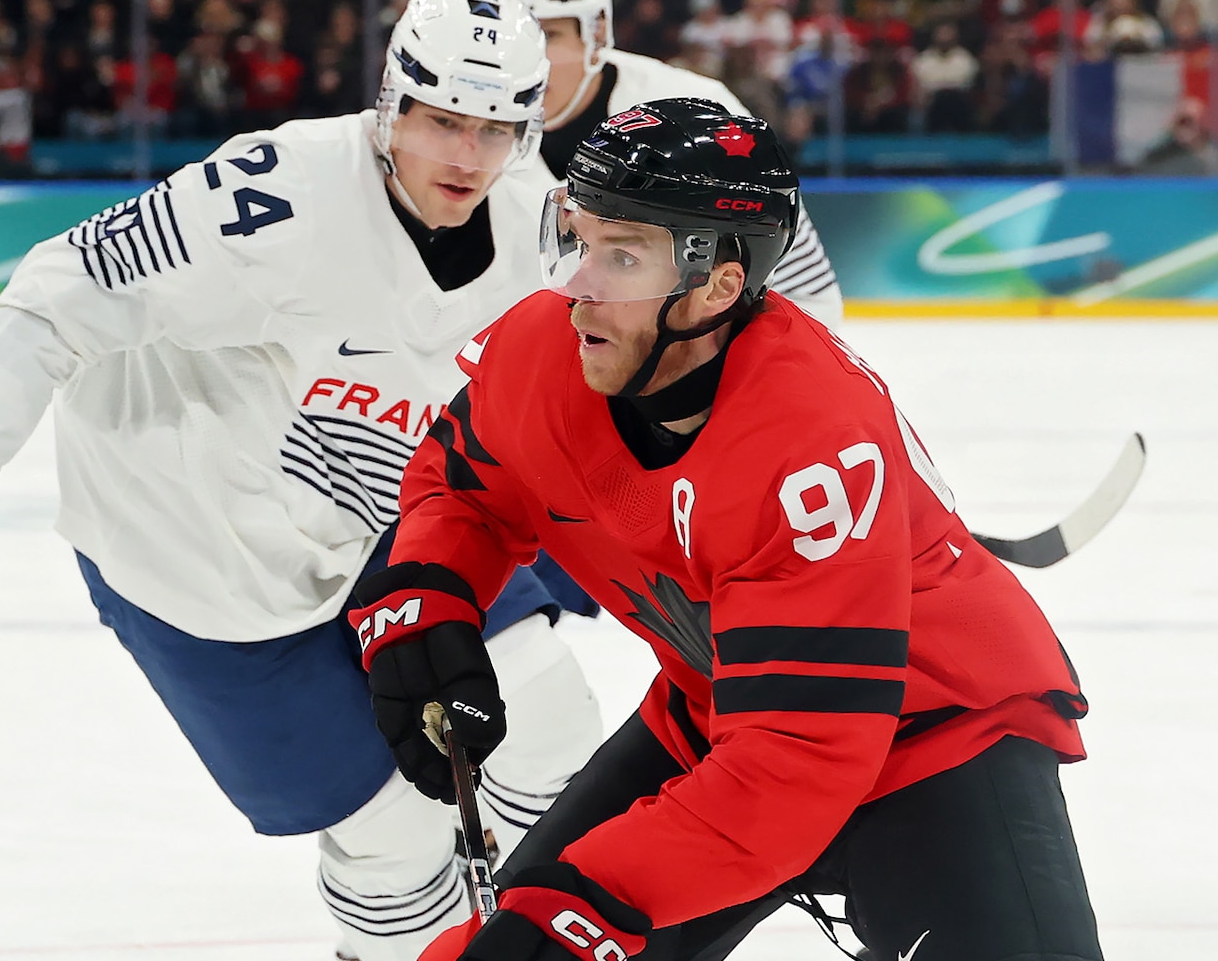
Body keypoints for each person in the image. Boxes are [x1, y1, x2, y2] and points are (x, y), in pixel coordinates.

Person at [0, 0, 607, 961]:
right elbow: (52, 295)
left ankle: (570, 935)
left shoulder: (542, 227)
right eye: (442, 121)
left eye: (497, 128)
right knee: (399, 842)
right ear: (393, 101)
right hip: (196, 558)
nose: (467, 156)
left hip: (392, 521)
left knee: (555, 725)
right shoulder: (273, 200)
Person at [347, 99, 1101, 961]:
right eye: (579, 238)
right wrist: (428, 595)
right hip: (723, 716)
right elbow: (465, 487)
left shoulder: (809, 446)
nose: (579, 282)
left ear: (718, 286)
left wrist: (586, 906)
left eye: (622, 255)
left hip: (934, 737)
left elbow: (798, 760)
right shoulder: (543, 352)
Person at [475, 0, 843, 330]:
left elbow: (805, 291)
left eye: (547, 35)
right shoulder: (454, 130)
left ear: (596, 32)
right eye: (503, 39)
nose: (523, 61)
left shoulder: (699, 114)